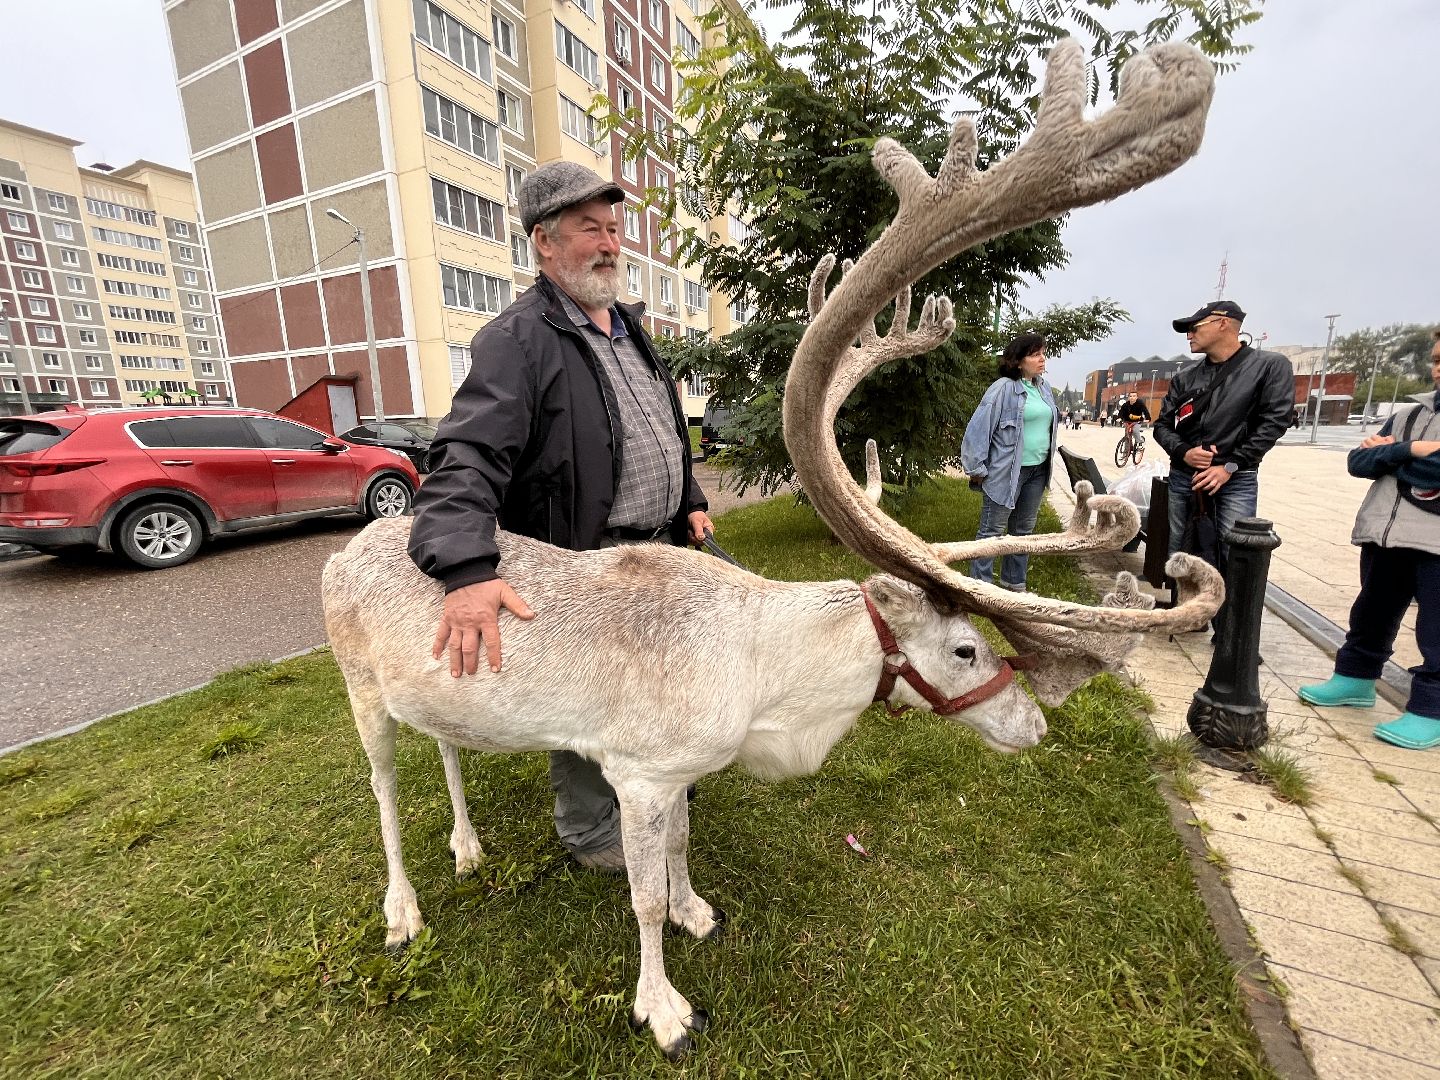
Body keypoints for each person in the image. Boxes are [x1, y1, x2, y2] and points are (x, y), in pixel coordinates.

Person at [407, 161, 714, 872]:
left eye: (613, 229)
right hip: (583, 559)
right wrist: (463, 565)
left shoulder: (629, 329)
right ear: (544, 243)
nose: (609, 244)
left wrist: (689, 503)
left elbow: (660, 430)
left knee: (661, 680)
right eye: (589, 230)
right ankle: (589, 830)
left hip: (660, 550)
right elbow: (466, 454)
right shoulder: (518, 339)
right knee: (595, 699)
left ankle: (658, 783)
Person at [1299, 329, 1440, 750]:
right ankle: (1355, 680)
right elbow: (1359, 462)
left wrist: (1392, 455)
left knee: (1435, 631)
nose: (1438, 369)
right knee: (1371, 613)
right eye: (1436, 359)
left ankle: (1431, 709)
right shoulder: (1412, 414)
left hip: (1433, 543)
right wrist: (1410, 450)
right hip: (1385, 532)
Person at [1153, 301, 1294, 597]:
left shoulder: (1268, 366)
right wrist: (1183, 452)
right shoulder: (1185, 377)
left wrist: (1231, 465)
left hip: (1235, 478)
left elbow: (1274, 422)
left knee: (1233, 551)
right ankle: (1190, 615)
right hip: (1185, 476)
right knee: (1182, 549)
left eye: (1195, 327)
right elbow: (1162, 425)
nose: (1189, 335)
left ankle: (1228, 629)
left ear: (1223, 323)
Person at [960, 331, 1059, 592]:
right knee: (991, 531)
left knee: (1022, 532)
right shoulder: (1003, 388)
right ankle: (980, 589)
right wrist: (976, 468)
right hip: (1006, 472)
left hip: (1037, 470)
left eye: (1043, 353)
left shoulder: (1043, 388)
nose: (1042, 359)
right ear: (1018, 360)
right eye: (1035, 354)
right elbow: (978, 429)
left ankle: (1014, 585)